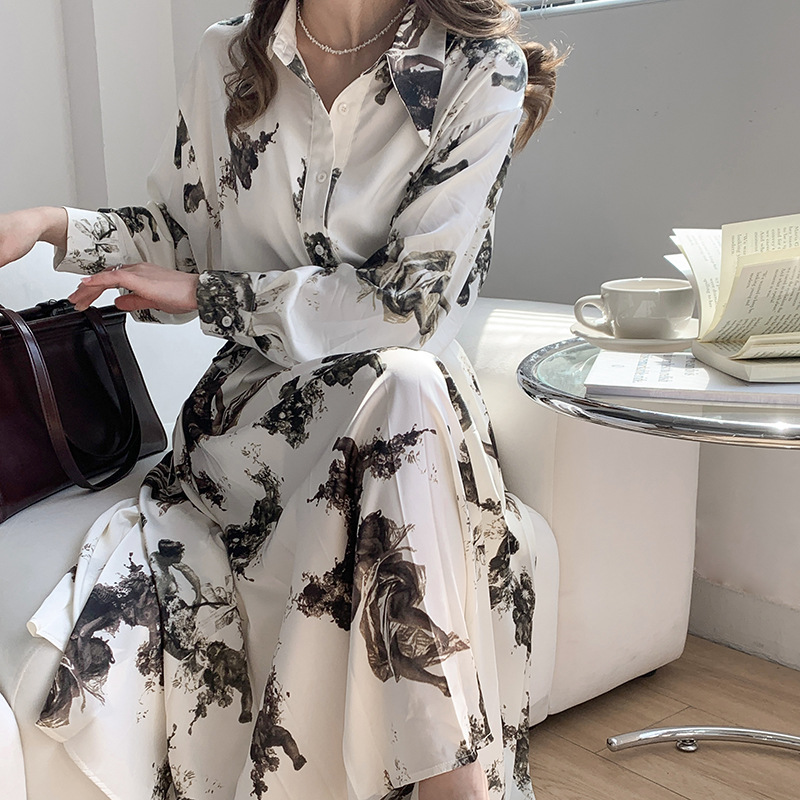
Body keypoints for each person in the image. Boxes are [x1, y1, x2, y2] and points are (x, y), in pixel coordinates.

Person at [0, 1, 561, 798]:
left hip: (402, 414)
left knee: (404, 380)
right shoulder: (231, 55)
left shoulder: (476, 71)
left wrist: (211, 295)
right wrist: (51, 225)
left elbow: (409, 307)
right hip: (255, 421)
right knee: (406, 390)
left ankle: (450, 783)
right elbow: (182, 236)